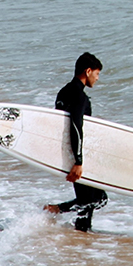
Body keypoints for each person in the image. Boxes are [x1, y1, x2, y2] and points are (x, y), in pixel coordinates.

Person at [43, 52, 108, 232]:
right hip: (77, 153)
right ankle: (57, 211)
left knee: (89, 200)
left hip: (67, 151)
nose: (97, 78)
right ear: (88, 71)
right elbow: (75, 127)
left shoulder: (63, 92)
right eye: (97, 73)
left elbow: (60, 128)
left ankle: (80, 238)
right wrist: (79, 161)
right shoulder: (80, 96)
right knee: (95, 200)